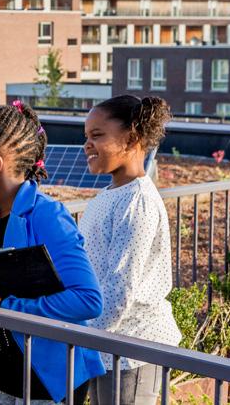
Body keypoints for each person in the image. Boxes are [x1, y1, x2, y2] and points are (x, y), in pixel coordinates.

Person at [0, 101, 105, 405]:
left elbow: (88, 300)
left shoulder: (46, 216)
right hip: (5, 374)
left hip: (51, 381)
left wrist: (6, 306)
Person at [80, 95, 181, 405]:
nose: (87, 146)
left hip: (132, 348)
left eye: (97, 136)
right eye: (86, 137)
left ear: (133, 138)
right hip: (105, 342)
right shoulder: (110, 194)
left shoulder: (137, 202)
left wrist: (77, 336)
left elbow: (119, 288)